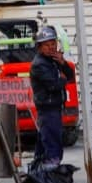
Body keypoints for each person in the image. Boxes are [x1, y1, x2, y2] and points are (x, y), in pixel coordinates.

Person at [29, 27, 74, 170]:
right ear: (40, 47)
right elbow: (53, 85)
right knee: (52, 142)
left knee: (45, 142)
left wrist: (63, 63)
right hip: (47, 108)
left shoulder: (53, 60)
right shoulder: (39, 64)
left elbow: (70, 75)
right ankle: (51, 175)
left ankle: (39, 173)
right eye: (47, 45)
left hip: (55, 106)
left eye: (53, 44)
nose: (51, 48)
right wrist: (62, 80)